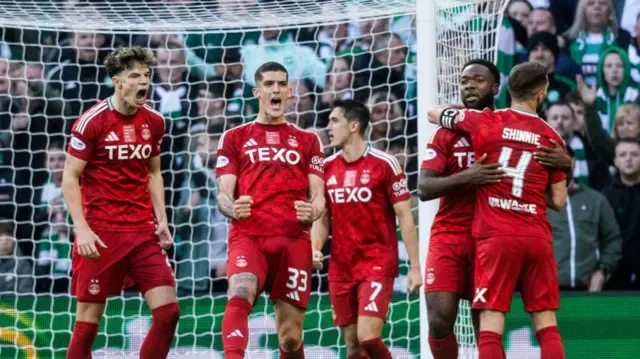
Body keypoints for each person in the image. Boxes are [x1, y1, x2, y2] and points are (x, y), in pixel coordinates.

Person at [419, 59, 571, 359]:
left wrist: (568, 164)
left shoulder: (490, 123)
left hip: (492, 235)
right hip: (463, 233)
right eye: (464, 81)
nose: (469, 86)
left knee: (486, 324)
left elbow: (434, 112)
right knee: (440, 321)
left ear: (500, 88)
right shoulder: (550, 136)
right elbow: (423, 188)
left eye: (478, 80)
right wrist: (470, 177)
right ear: (541, 94)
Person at [63, 46, 179, 359]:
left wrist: (162, 221)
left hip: (142, 232)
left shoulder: (154, 121)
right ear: (117, 81)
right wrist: (83, 230)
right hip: (101, 234)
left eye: (146, 75)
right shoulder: (92, 122)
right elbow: (69, 178)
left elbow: (154, 173)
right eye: (134, 76)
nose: (144, 81)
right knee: (87, 325)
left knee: (168, 314)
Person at [216, 62, 325, 359]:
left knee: (290, 339)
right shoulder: (235, 137)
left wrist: (312, 212)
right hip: (249, 235)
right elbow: (223, 194)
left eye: (281, 84)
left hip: (293, 242)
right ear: (257, 92)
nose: (275, 89)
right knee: (240, 292)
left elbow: (319, 198)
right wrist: (232, 208)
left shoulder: (309, 140)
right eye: (269, 84)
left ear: (290, 92)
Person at [311, 100, 422, 359]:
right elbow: (323, 218)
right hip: (341, 266)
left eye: (334, 120)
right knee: (353, 348)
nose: (328, 127)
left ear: (354, 125)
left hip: (376, 262)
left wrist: (415, 267)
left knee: (369, 337)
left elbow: (405, 216)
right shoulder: (326, 169)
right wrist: (314, 248)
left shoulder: (385, 164)